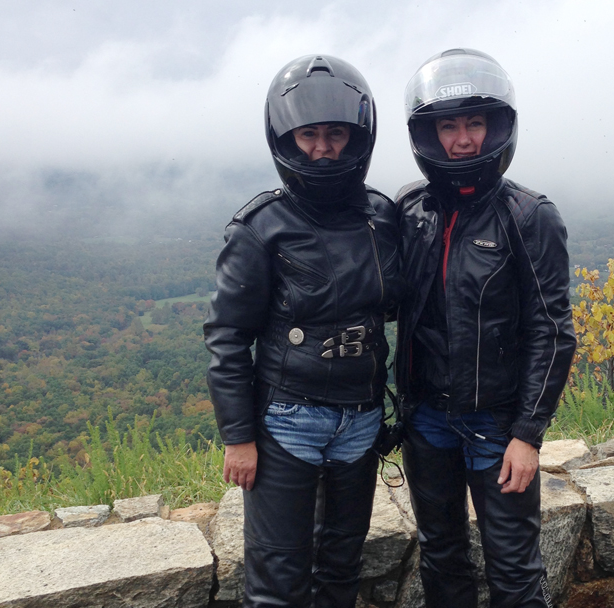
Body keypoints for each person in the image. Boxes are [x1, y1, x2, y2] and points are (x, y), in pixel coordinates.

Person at [203, 54, 401, 608]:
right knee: (277, 576)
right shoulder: (261, 227)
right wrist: (238, 436)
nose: (322, 148)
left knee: (342, 564)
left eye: (336, 134)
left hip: (361, 419)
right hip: (288, 418)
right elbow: (226, 337)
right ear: (285, 139)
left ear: (357, 136)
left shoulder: (381, 217)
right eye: (308, 134)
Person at [395, 48, 577, 607]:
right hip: (427, 419)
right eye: (448, 126)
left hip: (496, 423)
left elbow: (553, 332)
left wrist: (527, 434)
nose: (463, 140)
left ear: (498, 126)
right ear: (429, 134)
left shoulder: (527, 215)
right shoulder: (412, 210)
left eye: (475, 123)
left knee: (515, 569)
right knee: (441, 554)